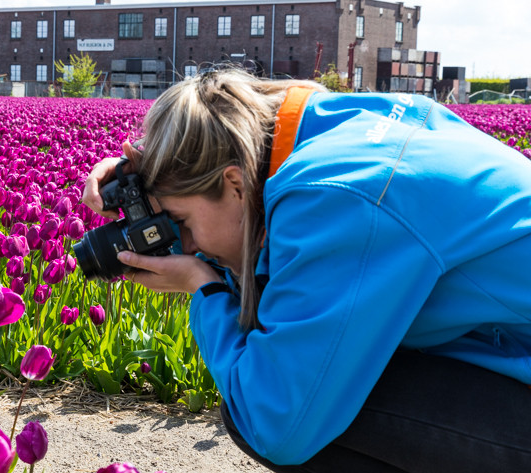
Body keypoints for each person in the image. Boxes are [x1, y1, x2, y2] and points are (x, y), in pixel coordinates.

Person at [81, 69, 531, 472]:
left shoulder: (338, 195)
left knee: (262, 402)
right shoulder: (336, 125)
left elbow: (275, 422)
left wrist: (205, 288)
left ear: (234, 183)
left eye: (181, 224)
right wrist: (147, 182)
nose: (190, 246)